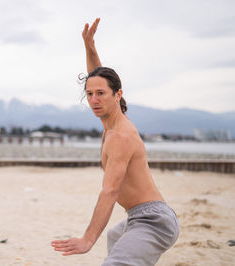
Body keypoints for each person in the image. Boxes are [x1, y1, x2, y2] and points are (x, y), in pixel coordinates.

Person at [51, 18, 180, 265]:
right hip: (136, 217)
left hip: (154, 221)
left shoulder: (121, 136)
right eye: (89, 94)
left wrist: (88, 239)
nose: (94, 99)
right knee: (115, 237)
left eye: (100, 94)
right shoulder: (111, 121)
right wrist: (89, 47)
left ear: (117, 95)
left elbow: (110, 191)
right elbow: (99, 77)